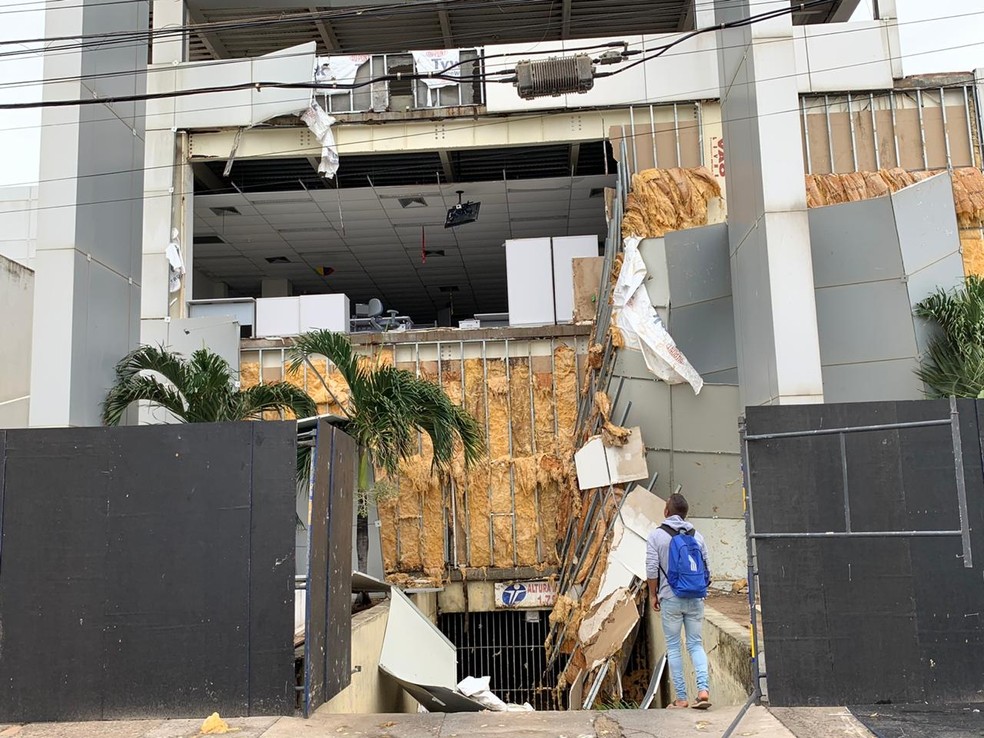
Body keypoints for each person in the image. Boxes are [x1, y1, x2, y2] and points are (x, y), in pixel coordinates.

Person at [645, 492, 712, 710]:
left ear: (666, 511)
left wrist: (654, 594)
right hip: (695, 598)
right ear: (685, 514)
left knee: (674, 647)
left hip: (670, 598)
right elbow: (707, 569)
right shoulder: (697, 536)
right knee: (695, 644)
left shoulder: (656, 536)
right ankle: (703, 690)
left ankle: (681, 698)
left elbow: (651, 569)